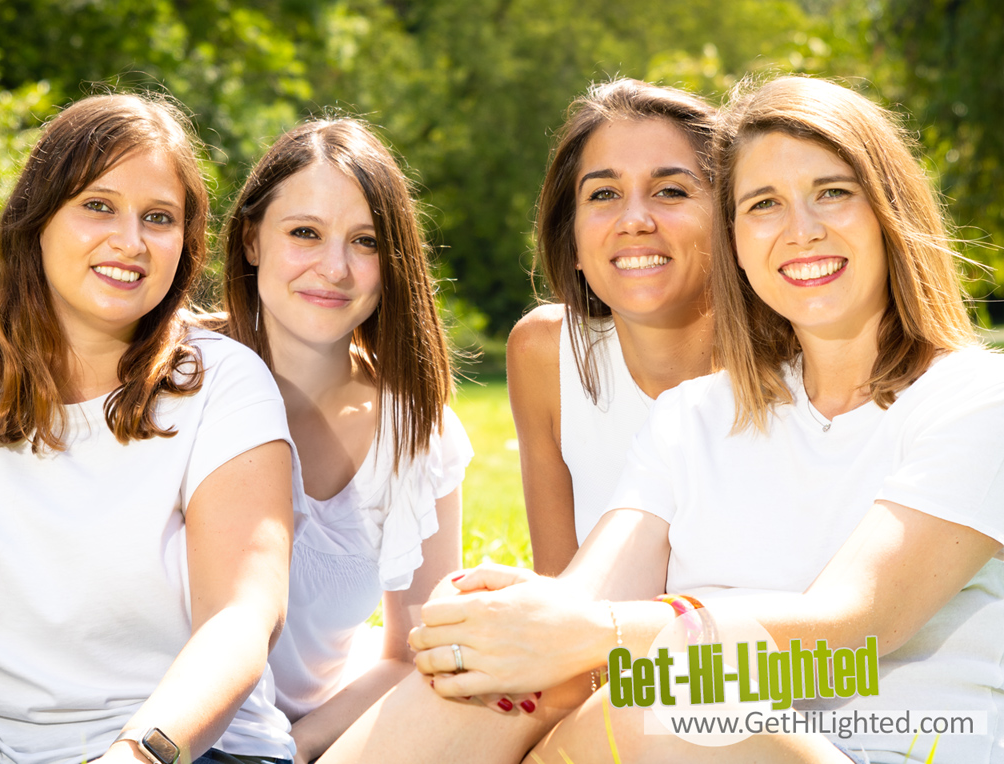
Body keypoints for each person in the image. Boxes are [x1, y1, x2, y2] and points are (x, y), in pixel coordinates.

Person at [406, 76, 1004, 763]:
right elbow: (583, 601)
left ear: (889, 209)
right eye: (763, 204)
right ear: (735, 241)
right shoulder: (692, 415)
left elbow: (856, 622)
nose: (801, 230)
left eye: (832, 192)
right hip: (679, 732)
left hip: (880, 751)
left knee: (667, 704)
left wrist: (593, 631)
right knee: (480, 679)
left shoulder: (975, 399)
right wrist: (502, 627)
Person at [0, 93, 298, 764]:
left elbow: (241, 619)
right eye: (98, 205)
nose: (129, 241)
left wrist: (139, 755)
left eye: (159, 218)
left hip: (180, 751)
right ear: (36, 216)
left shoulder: (224, 385)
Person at [211, 118, 471, 763]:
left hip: (314, 738)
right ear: (251, 241)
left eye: (365, 242)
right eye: (304, 233)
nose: (334, 268)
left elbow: (413, 655)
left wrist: (292, 750)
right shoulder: (180, 377)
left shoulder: (418, 432)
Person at [507, 79, 715, 576]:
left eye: (670, 190)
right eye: (604, 193)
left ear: (728, 219)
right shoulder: (545, 354)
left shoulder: (801, 357)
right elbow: (559, 602)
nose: (635, 219)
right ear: (573, 241)